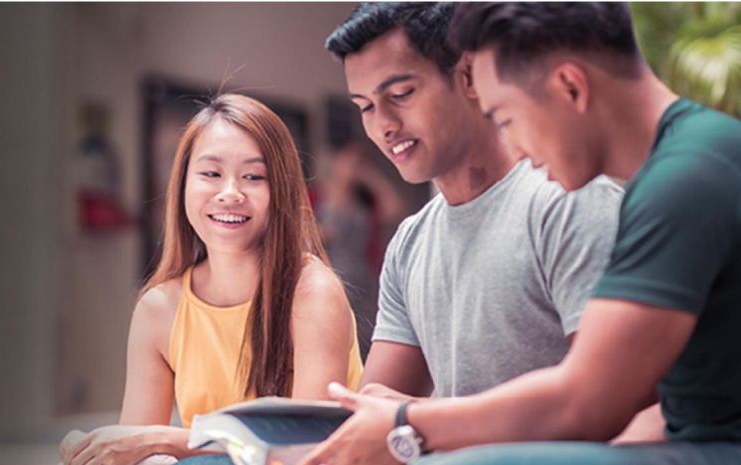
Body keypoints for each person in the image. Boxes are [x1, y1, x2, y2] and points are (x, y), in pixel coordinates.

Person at [298, 2, 741, 465]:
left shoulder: (685, 178)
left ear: (570, 85)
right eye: (365, 107)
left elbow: (592, 404)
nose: (521, 151)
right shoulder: (680, 170)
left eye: (506, 117)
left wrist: (410, 424)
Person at [320, 0, 621, 404]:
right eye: (366, 107)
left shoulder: (569, 203)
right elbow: (374, 409)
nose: (384, 125)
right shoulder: (411, 244)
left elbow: (610, 401)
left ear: (469, 75)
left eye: (400, 94)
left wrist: (418, 419)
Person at [59, 93, 363, 465]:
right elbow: (132, 451)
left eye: (253, 176)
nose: (230, 193)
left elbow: (308, 450)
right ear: (183, 184)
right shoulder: (159, 309)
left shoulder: (313, 293)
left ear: (281, 191)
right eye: (211, 173)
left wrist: (164, 439)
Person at [316, 138, 407, 360]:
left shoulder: (366, 201)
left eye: (360, 162)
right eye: (351, 160)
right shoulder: (317, 196)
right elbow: (300, 237)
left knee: (368, 342)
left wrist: (370, 177)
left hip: (365, 282)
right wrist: (321, 233)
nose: (354, 166)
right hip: (331, 280)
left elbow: (395, 210)